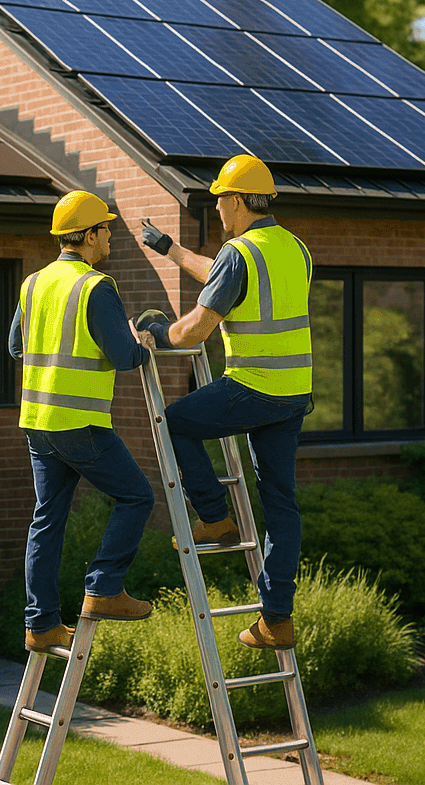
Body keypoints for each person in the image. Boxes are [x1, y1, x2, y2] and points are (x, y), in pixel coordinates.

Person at [139, 154, 313, 650]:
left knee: (174, 422)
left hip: (254, 386)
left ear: (236, 201)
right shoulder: (294, 247)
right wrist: (171, 249)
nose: (216, 209)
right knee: (281, 505)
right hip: (294, 393)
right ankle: (276, 619)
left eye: (218, 200)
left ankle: (214, 516)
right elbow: (221, 274)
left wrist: (158, 333)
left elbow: (196, 329)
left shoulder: (241, 253)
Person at [9, 189, 158, 652]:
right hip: (81, 425)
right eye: (106, 228)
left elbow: (16, 347)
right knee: (137, 497)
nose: (111, 235)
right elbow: (124, 356)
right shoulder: (96, 286)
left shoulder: (33, 283)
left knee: (46, 520)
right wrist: (143, 345)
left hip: (38, 423)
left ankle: (41, 624)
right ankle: (105, 587)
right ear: (89, 236)